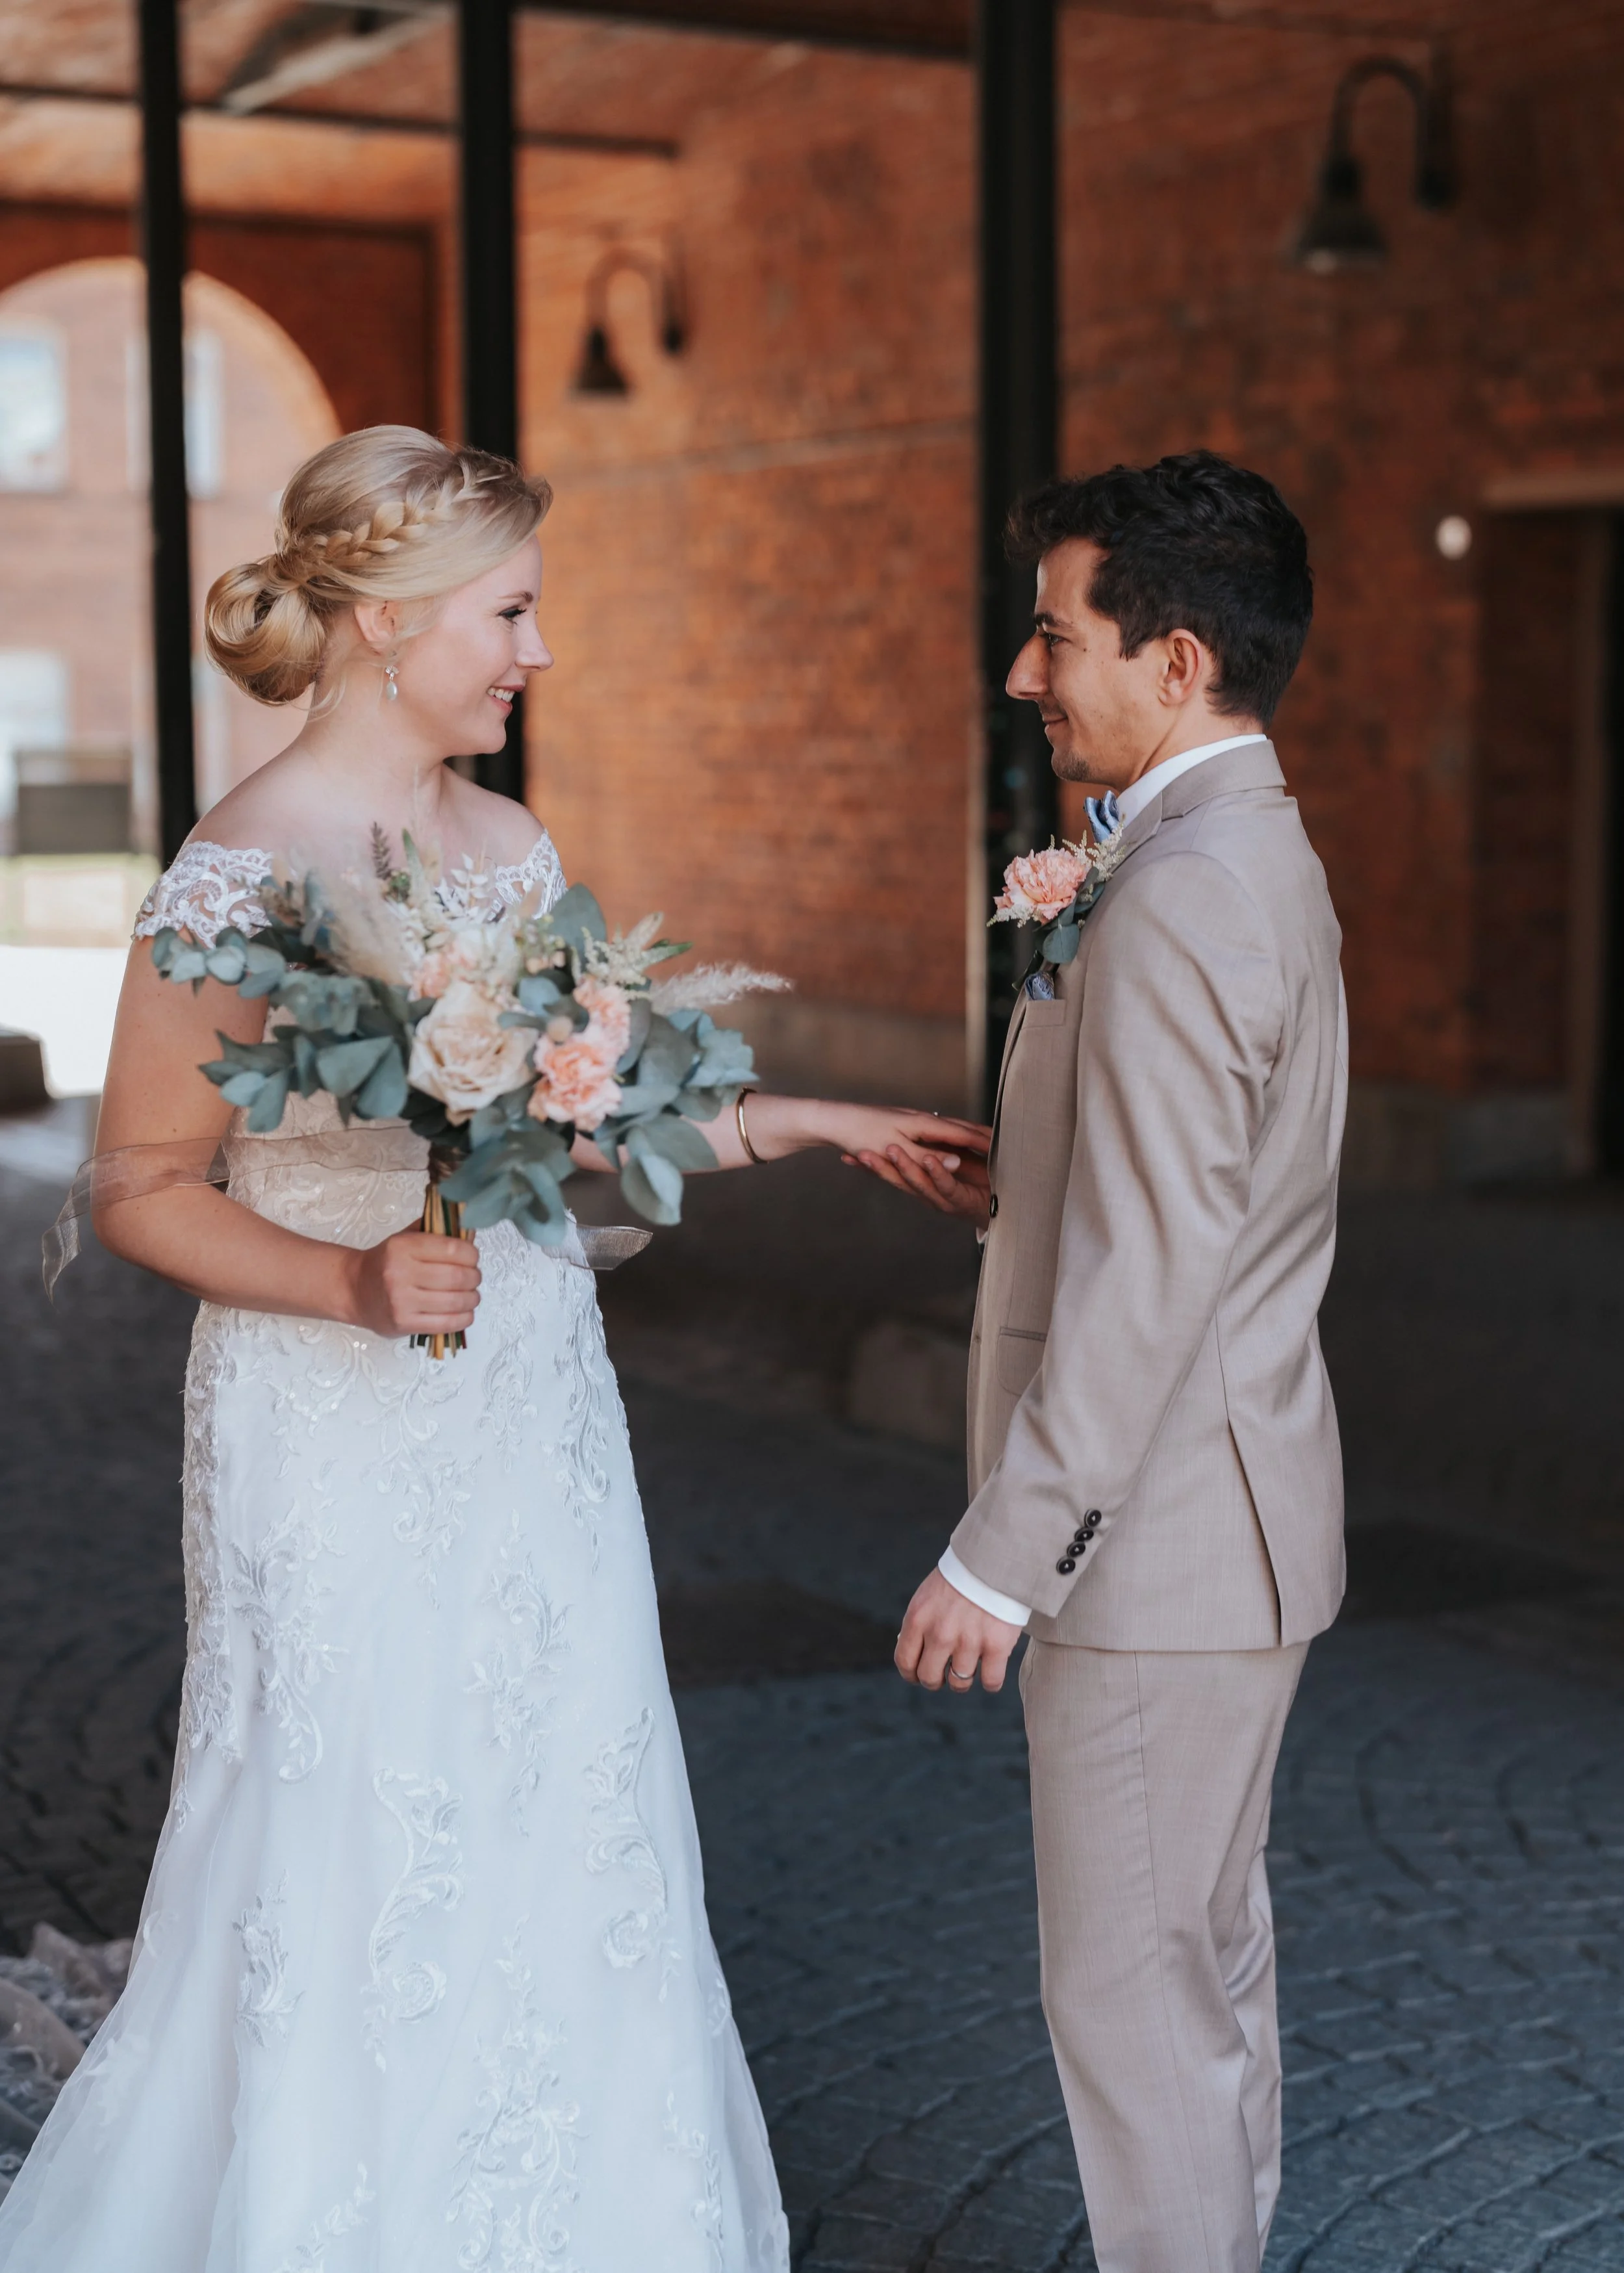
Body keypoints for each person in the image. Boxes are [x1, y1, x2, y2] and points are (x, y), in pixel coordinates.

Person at [0, 425, 986, 2273]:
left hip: (530, 1398)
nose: (537, 652)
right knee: (362, 1822)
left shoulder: (509, 847)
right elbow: (139, 1183)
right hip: (335, 1412)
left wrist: (817, 1120)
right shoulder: (242, 868)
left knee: (570, 1791)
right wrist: (352, 1286)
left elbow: (574, 1110)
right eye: (513, 611)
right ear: (386, 624)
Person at [875, 452, 1346, 2273]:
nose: (1021, 673)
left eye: (1050, 635)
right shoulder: (1238, 850)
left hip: (1151, 1546)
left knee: (1133, 1998)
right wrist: (1034, 1181)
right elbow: (1194, 1194)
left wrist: (1003, 1551)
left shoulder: (1178, 892)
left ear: (1172, 660)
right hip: (1228, 1520)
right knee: (1197, 1970)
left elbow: (1157, 1266)